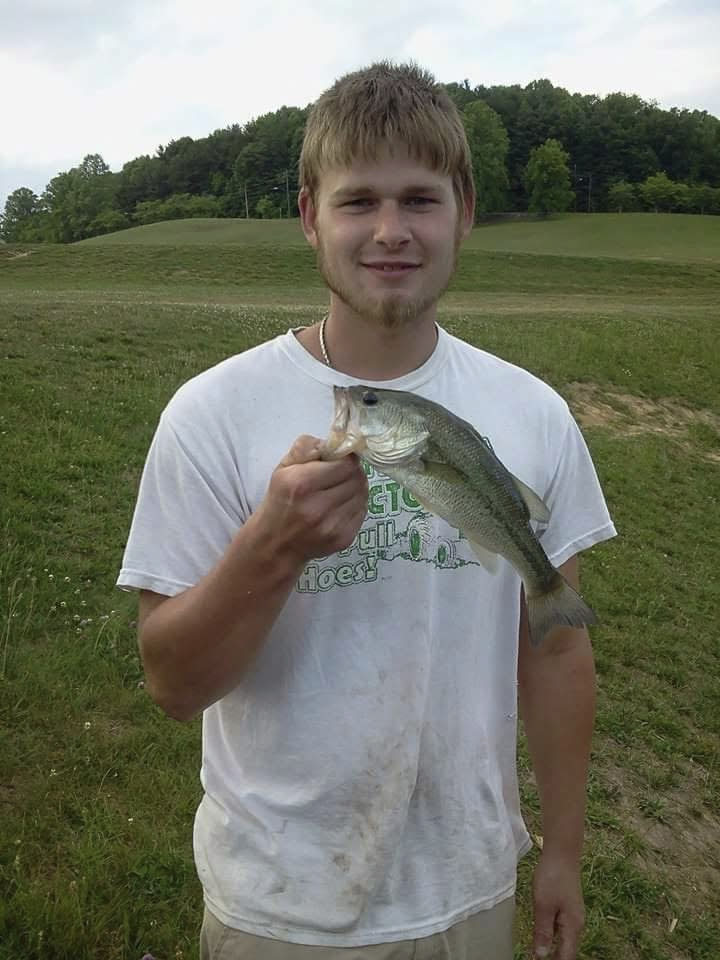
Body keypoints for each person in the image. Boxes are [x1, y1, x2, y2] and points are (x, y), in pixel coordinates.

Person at [117, 61, 616, 960]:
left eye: (420, 199)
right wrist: (267, 552)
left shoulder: (534, 413)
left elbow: (558, 650)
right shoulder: (209, 413)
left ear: (465, 209)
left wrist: (564, 854)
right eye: (359, 202)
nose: (391, 231)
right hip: (280, 904)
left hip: (470, 887)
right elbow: (172, 685)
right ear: (310, 215)